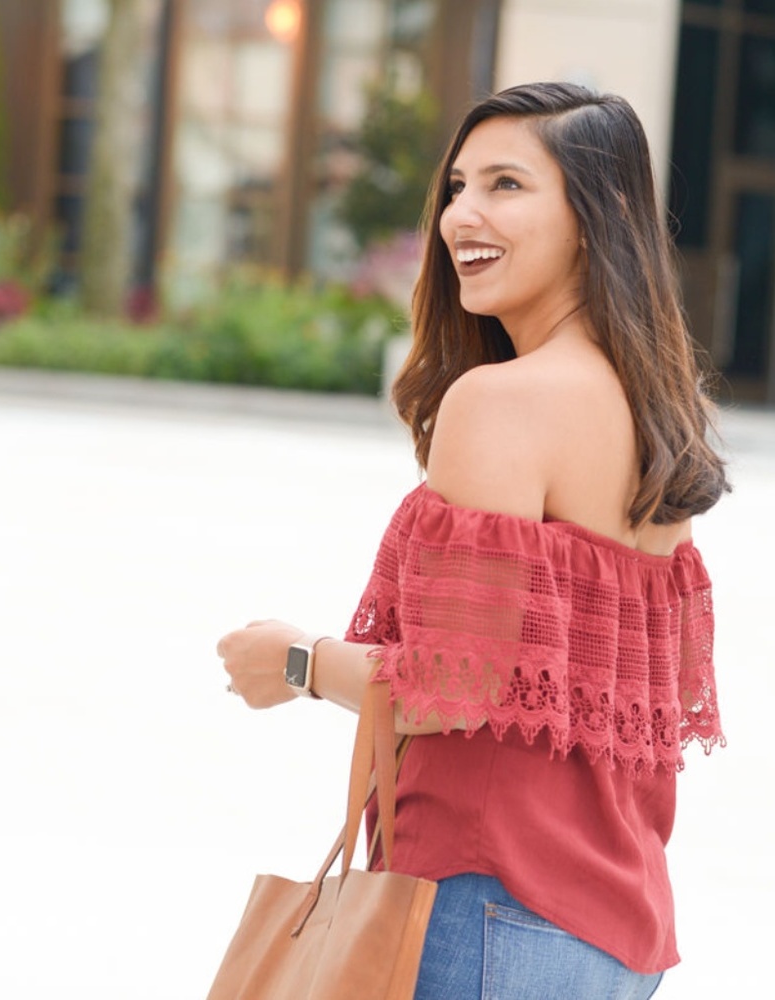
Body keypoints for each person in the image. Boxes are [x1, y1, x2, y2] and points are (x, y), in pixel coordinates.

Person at [217, 81, 729, 1000]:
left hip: (490, 907)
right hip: (615, 932)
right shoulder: (658, 420)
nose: (462, 215)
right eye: (457, 186)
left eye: (505, 185)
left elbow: (456, 688)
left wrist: (294, 660)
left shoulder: (503, 404)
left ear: (598, 213)